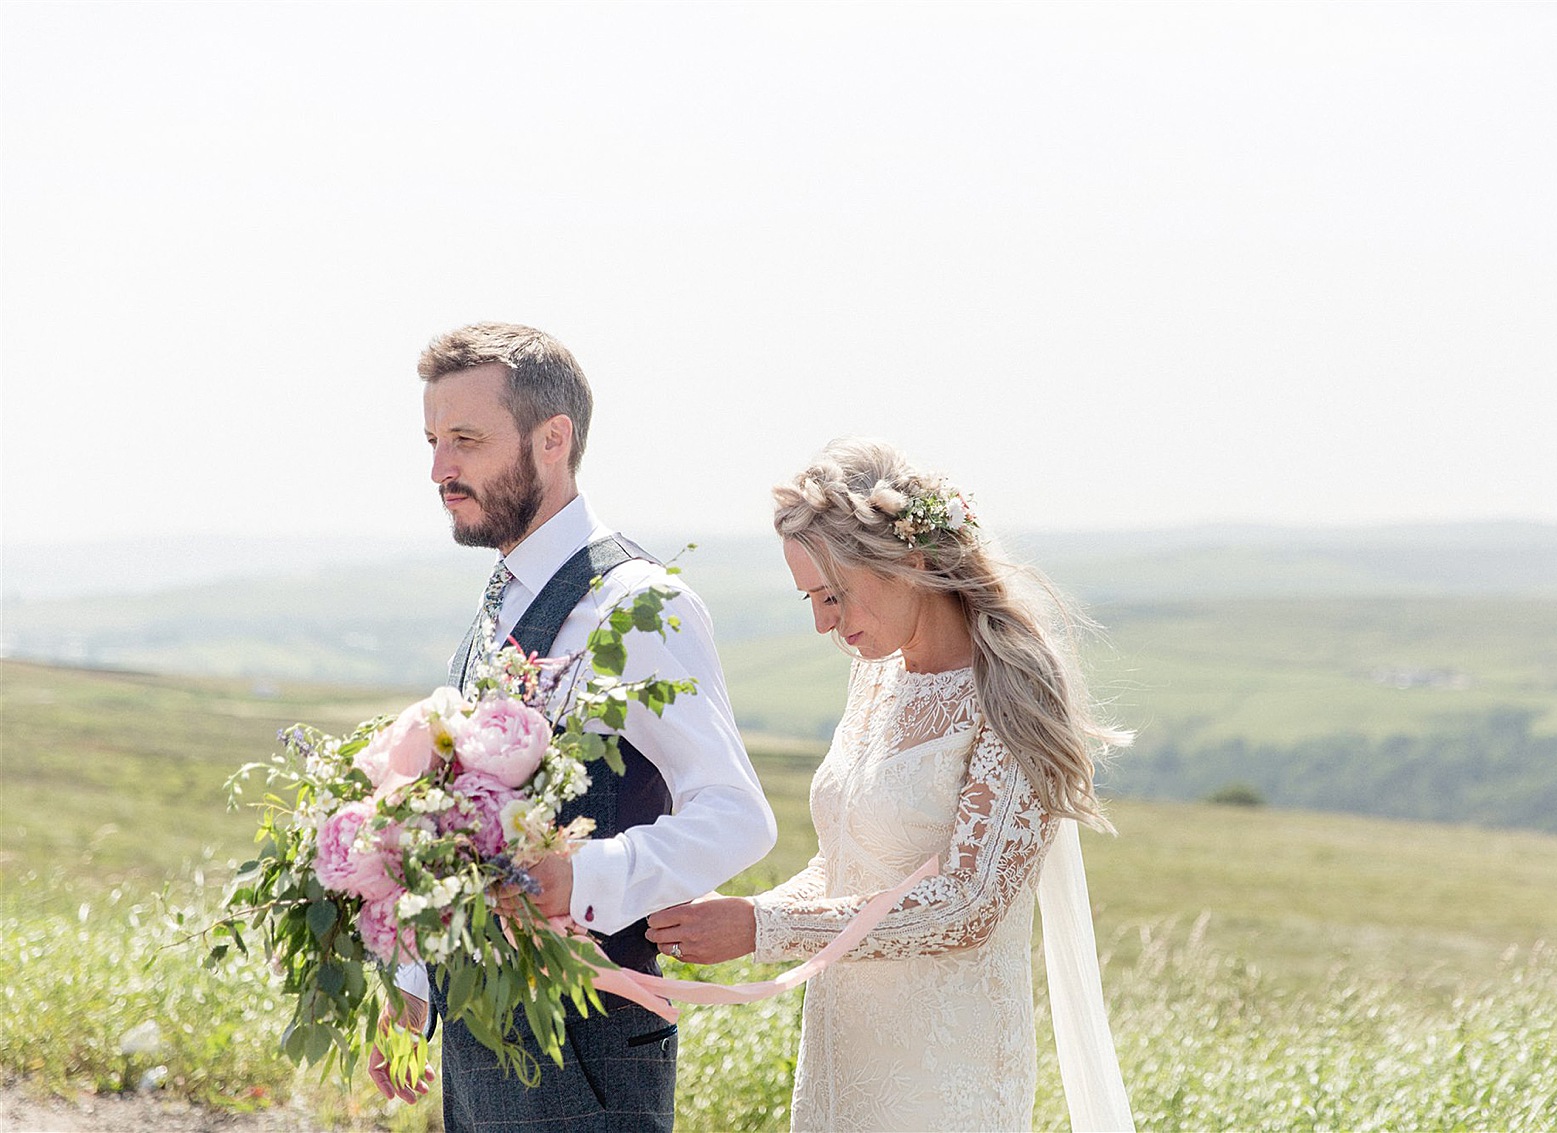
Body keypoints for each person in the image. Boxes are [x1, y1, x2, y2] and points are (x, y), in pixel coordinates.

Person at [645, 438, 1134, 1132]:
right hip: (843, 1057)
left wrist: (764, 926)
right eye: (811, 598)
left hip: (946, 1077)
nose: (822, 621)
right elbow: (847, 861)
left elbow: (970, 902)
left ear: (910, 561)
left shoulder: (1015, 687)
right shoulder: (876, 675)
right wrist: (734, 915)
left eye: (833, 593)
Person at [367, 322, 777, 1132]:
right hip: (481, 1051)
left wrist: (582, 877)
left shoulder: (638, 607)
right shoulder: (502, 595)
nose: (440, 469)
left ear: (553, 439)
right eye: (433, 441)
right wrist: (413, 986)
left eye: (466, 440)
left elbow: (738, 816)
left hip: (589, 1049)